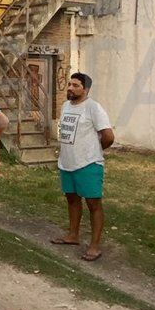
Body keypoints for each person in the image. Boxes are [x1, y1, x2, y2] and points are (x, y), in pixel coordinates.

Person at [51, 73, 114, 262]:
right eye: (69, 84)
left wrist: (94, 150)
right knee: (72, 199)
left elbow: (108, 136)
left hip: (88, 164)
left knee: (93, 204)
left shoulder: (93, 108)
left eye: (75, 85)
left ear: (85, 89)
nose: (70, 88)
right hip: (67, 162)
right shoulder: (66, 106)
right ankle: (73, 235)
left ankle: (94, 246)